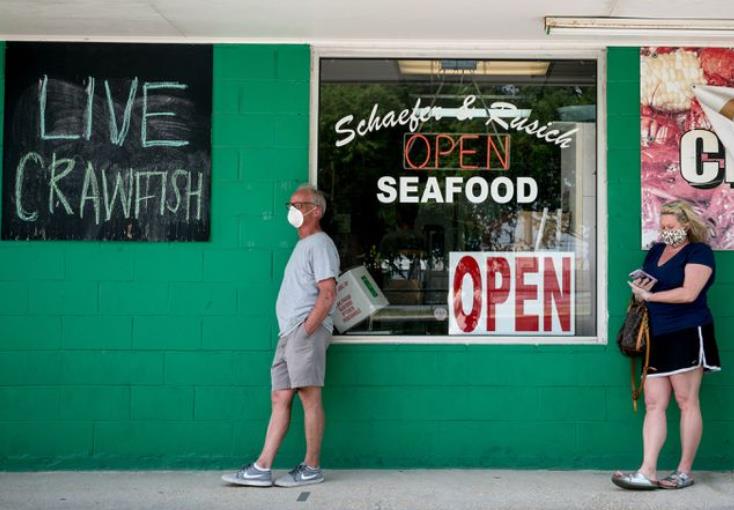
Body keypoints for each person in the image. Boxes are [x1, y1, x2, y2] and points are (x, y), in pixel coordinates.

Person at [222, 184, 340, 488]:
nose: (293, 210)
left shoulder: (321, 244)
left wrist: (306, 330)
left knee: (309, 397)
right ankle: (262, 467)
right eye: (291, 204)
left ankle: (312, 466)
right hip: (289, 334)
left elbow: (327, 294)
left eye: (299, 205)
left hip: (303, 333)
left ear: (317, 211)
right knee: (280, 396)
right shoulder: (303, 245)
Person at [612, 199, 721, 490]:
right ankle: (647, 470)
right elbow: (650, 286)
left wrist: (651, 298)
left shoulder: (700, 252)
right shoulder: (657, 251)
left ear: (686, 225)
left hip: (687, 331)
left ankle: (684, 471)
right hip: (656, 334)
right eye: (662, 226)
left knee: (686, 401)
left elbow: (689, 293)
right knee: (653, 403)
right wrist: (640, 291)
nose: (665, 231)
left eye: (671, 226)